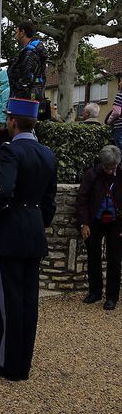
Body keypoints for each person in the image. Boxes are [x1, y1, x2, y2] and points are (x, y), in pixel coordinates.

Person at [0, 98, 57, 381]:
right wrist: (37, 223)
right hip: (34, 232)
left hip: (10, 233)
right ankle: (22, 362)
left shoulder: (12, 151)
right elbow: (49, 203)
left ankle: (7, 363)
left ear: (12, 121)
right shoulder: (47, 153)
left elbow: (6, 190)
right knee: (27, 301)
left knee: (8, 301)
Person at [75, 144, 122, 311]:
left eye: (114, 167)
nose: (111, 171)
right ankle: (94, 292)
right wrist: (84, 223)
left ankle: (112, 297)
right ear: (102, 163)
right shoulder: (92, 175)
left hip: (116, 222)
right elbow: (82, 200)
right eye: (108, 167)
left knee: (114, 260)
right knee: (93, 257)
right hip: (95, 221)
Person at [7, 20, 47, 103]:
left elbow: (25, 79)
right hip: (31, 98)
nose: (15, 36)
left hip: (24, 102)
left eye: (16, 32)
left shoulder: (29, 54)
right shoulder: (33, 51)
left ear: (22, 33)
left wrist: (17, 99)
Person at [107, 79, 122, 152]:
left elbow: (116, 112)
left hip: (120, 127)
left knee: (119, 151)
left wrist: (109, 121)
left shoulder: (120, 95)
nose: (119, 83)